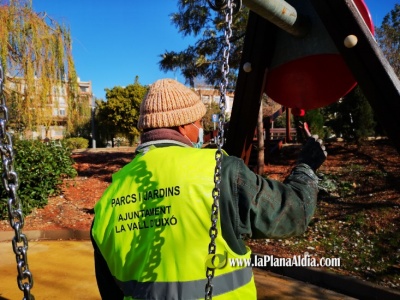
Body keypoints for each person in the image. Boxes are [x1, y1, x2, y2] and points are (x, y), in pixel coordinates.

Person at [91, 78, 327, 299]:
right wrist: (306, 167)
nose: (202, 131)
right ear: (184, 125)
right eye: (199, 122)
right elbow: (292, 214)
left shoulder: (109, 198)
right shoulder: (218, 170)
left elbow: (110, 290)